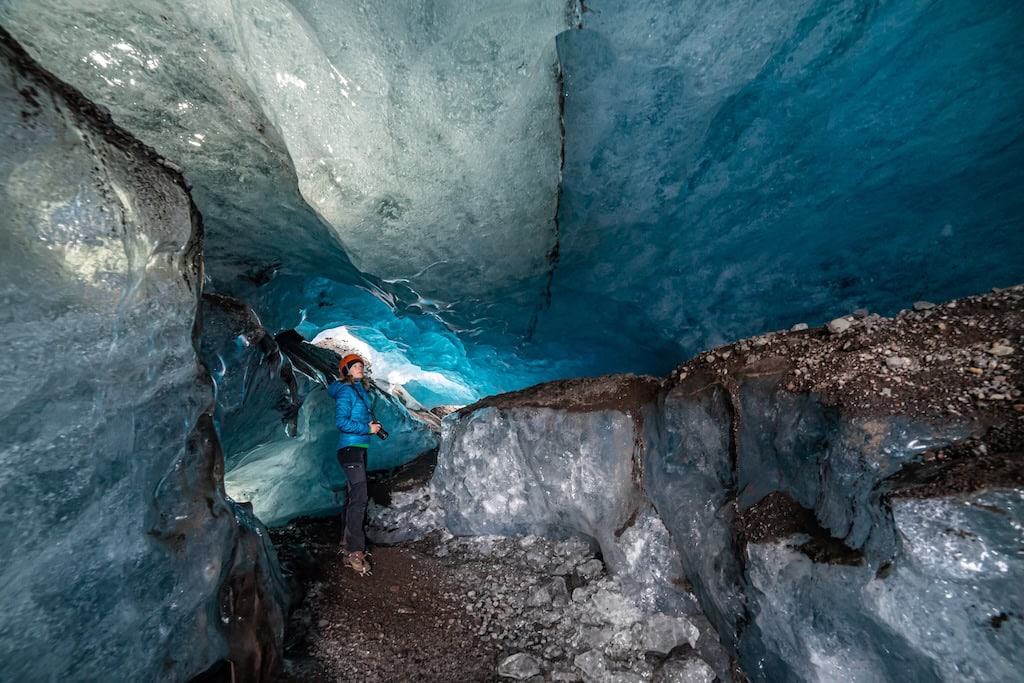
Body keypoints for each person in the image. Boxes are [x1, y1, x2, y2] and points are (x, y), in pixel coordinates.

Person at [327, 353, 382, 576]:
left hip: (360, 448)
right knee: (359, 497)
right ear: (346, 370)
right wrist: (367, 429)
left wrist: (368, 426)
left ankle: (346, 541)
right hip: (349, 449)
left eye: (361, 365)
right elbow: (341, 422)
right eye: (355, 366)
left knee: (353, 496)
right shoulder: (346, 391)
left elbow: (355, 419)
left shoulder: (359, 391)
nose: (360, 368)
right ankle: (355, 551)